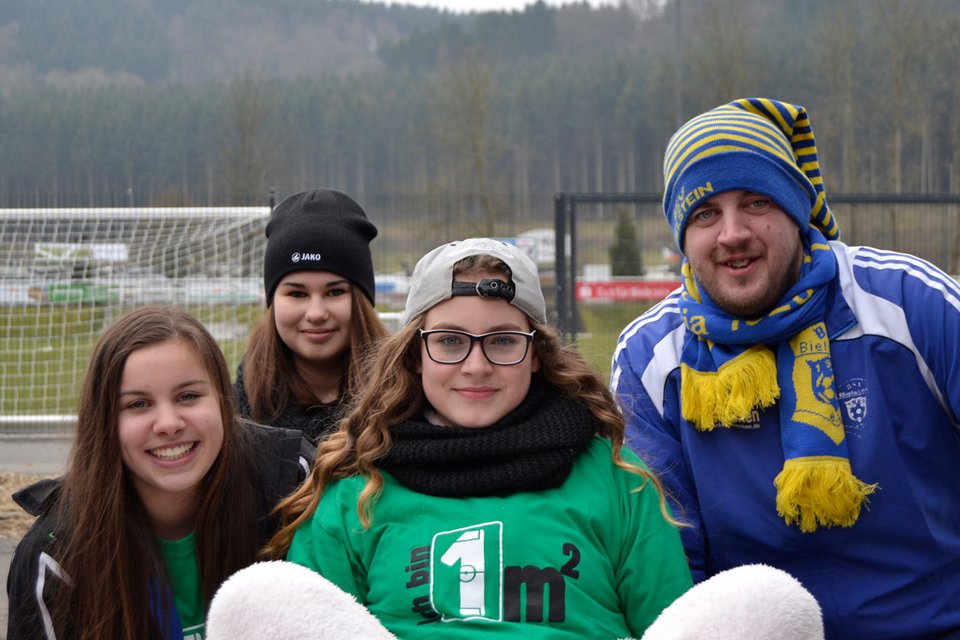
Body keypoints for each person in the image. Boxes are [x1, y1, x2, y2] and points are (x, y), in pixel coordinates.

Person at [611, 97, 960, 640]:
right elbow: (669, 562)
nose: (732, 233)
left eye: (756, 202)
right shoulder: (648, 359)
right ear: (683, 236)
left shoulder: (912, 304)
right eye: (705, 214)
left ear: (797, 212)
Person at [263, 237, 693, 638]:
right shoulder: (354, 495)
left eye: (503, 342)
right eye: (450, 341)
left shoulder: (619, 481)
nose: (476, 366)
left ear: (538, 355)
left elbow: (674, 627)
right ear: (415, 355)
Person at [6, 306, 314, 640]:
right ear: (104, 422)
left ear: (224, 402)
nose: (168, 424)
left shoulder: (292, 481)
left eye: (188, 396)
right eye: (138, 404)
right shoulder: (56, 554)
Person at [236, 188, 389, 443]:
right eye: (297, 294)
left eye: (335, 292)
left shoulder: (407, 403)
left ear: (362, 301)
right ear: (272, 300)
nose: (316, 313)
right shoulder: (232, 415)